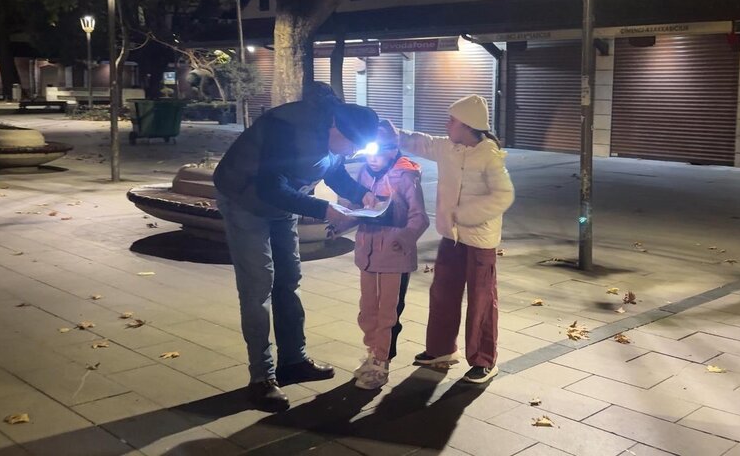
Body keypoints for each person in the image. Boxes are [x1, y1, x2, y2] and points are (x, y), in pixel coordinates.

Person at [213, 83, 379, 412]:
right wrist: (324, 209)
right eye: (352, 147)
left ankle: (293, 361)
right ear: (336, 128)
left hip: (282, 202)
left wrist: (364, 196)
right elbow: (269, 187)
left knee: (289, 279)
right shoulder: (286, 128)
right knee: (258, 286)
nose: (351, 154)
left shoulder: (334, 130)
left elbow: (334, 169)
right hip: (244, 199)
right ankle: (261, 378)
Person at [397, 94, 515, 384]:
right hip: (451, 236)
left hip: (480, 239)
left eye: (452, 120)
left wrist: (465, 214)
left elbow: (503, 195)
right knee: (442, 292)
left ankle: (484, 360)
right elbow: (421, 142)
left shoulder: (489, 155)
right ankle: (441, 349)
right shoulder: (448, 147)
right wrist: (390, 133)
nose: (447, 124)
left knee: (481, 300)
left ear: (468, 125)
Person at [348, 120, 430, 390]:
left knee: (387, 313)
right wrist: (339, 223)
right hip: (367, 254)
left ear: (392, 150)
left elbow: (419, 217)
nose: (372, 159)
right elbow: (354, 206)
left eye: (378, 152)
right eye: (368, 152)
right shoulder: (364, 173)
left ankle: (381, 363)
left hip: (394, 258)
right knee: (367, 310)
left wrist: (403, 239)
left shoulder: (405, 175)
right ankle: (372, 352)